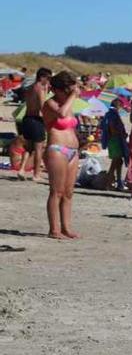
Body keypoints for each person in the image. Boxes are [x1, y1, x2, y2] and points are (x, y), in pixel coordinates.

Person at [42, 71, 81, 239]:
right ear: (58, 90)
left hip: (72, 151)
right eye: (67, 90)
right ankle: (54, 229)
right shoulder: (50, 104)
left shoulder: (68, 104)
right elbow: (61, 114)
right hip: (57, 149)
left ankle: (66, 227)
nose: (70, 94)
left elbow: (70, 123)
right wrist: (72, 96)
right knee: (56, 191)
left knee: (68, 192)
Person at [17, 67, 52, 182]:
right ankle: (36, 174)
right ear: (42, 77)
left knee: (28, 148)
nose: (49, 81)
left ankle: (21, 169)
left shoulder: (30, 88)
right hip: (36, 120)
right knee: (38, 148)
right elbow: (42, 106)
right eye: (48, 78)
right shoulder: (40, 88)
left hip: (26, 118)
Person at [100, 98, 129, 191]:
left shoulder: (108, 114)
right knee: (115, 162)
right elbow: (112, 128)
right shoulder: (113, 114)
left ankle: (118, 182)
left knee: (119, 162)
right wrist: (121, 134)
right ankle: (108, 184)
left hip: (113, 140)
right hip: (115, 140)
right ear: (118, 106)